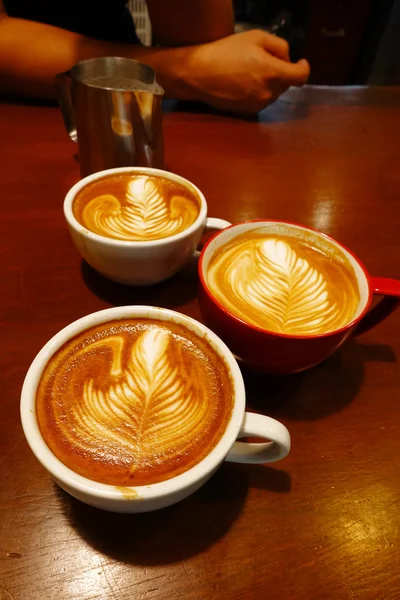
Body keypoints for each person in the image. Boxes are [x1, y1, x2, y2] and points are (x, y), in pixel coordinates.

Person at [0, 0, 310, 113]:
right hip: (21, 109)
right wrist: (183, 74)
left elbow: (206, 37)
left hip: (134, 94)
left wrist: (192, 68)